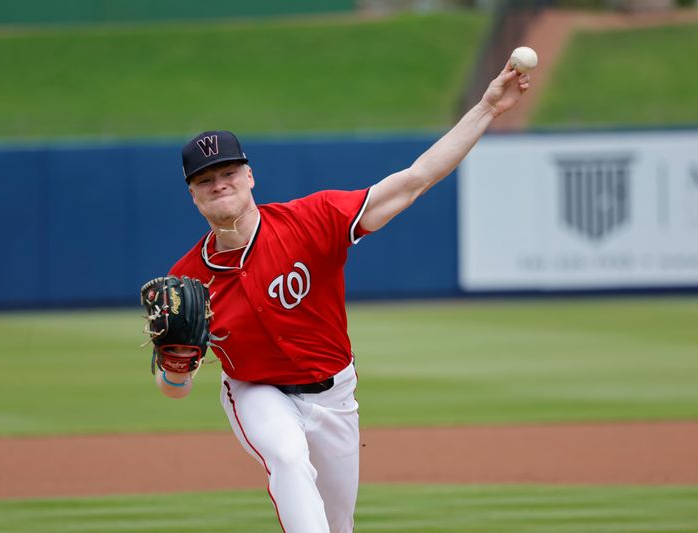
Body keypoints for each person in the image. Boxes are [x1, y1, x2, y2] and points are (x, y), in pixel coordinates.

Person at [157, 62, 530, 533]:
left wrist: (487, 108)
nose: (219, 185)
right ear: (193, 195)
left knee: (338, 523)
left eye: (228, 172)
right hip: (256, 391)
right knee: (288, 459)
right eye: (205, 181)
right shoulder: (185, 282)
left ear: (250, 176)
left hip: (336, 393)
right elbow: (175, 390)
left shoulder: (313, 220)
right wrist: (175, 370)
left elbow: (415, 180)